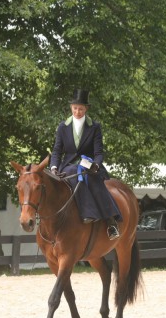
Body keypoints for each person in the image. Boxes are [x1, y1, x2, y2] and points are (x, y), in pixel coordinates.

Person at [50, 88, 121, 239]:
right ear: (71, 108)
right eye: (75, 108)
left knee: (96, 184)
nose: (77, 112)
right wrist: (54, 167)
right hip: (68, 165)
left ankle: (111, 222)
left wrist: (96, 164)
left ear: (86, 109)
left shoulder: (95, 127)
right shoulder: (63, 127)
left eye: (81, 109)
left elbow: (98, 152)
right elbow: (57, 150)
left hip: (89, 164)